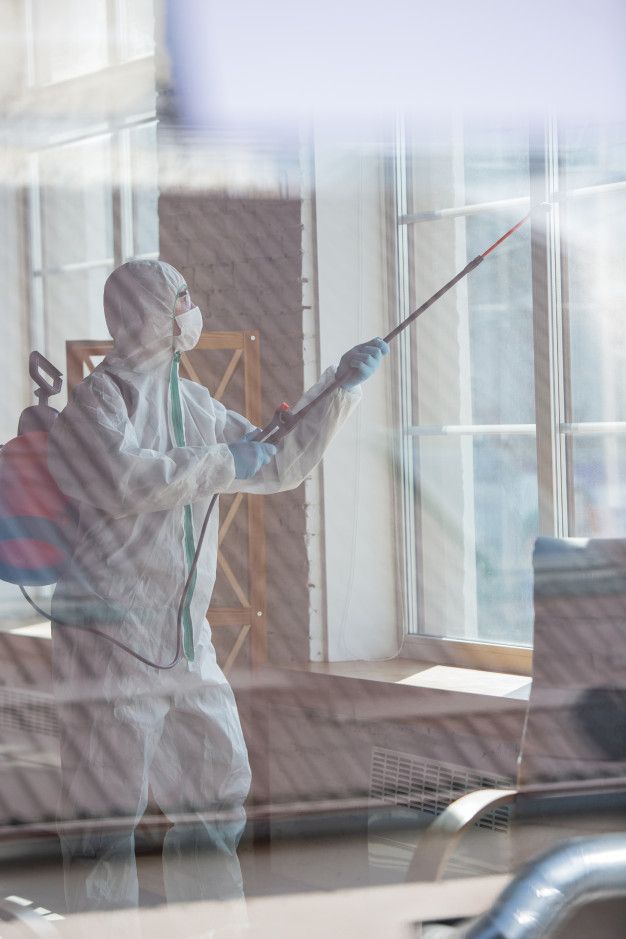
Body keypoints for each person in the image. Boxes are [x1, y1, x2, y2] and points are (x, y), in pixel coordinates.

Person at [48, 258, 388, 916]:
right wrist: (222, 461)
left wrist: (337, 389)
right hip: (110, 640)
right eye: (179, 298)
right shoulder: (98, 401)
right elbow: (124, 479)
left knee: (216, 788)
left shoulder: (196, 402)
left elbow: (275, 462)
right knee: (105, 815)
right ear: (144, 312)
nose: (189, 310)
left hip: (185, 637)